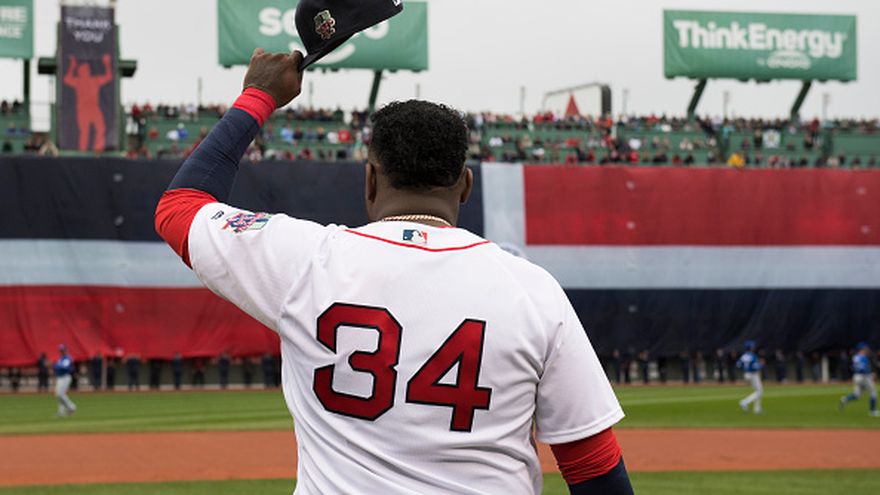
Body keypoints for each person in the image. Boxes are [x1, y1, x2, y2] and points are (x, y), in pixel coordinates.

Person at [154, 48, 632, 494]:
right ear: (466, 186)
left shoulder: (306, 260)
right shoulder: (533, 289)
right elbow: (592, 465)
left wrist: (258, 96)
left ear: (370, 180)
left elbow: (179, 206)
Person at [839, 343, 878, 417]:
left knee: (857, 395)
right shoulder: (863, 357)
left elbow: (853, 367)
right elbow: (863, 368)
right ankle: (872, 411)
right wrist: (870, 374)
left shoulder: (855, 357)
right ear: (861, 349)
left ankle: (845, 399)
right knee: (873, 393)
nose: (866, 350)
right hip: (864, 377)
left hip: (856, 376)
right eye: (865, 349)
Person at [737, 340, 763, 414]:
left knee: (758, 391)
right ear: (750, 347)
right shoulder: (752, 356)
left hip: (746, 374)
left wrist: (745, 368)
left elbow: (738, 365)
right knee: (759, 392)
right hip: (753, 374)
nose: (753, 348)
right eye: (752, 347)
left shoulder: (743, 356)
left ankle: (757, 409)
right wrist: (761, 365)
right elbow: (755, 367)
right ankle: (744, 402)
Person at [54, 345, 77, 417]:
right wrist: (55, 366)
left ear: (66, 350)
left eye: (62, 350)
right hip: (60, 377)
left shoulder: (67, 358)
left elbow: (65, 367)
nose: (61, 351)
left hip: (65, 377)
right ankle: (62, 412)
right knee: (58, 395)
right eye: (60, 350)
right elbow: (58, 367)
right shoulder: (61, 358)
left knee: (60, 394)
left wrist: (55, 366)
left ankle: (72, 407)